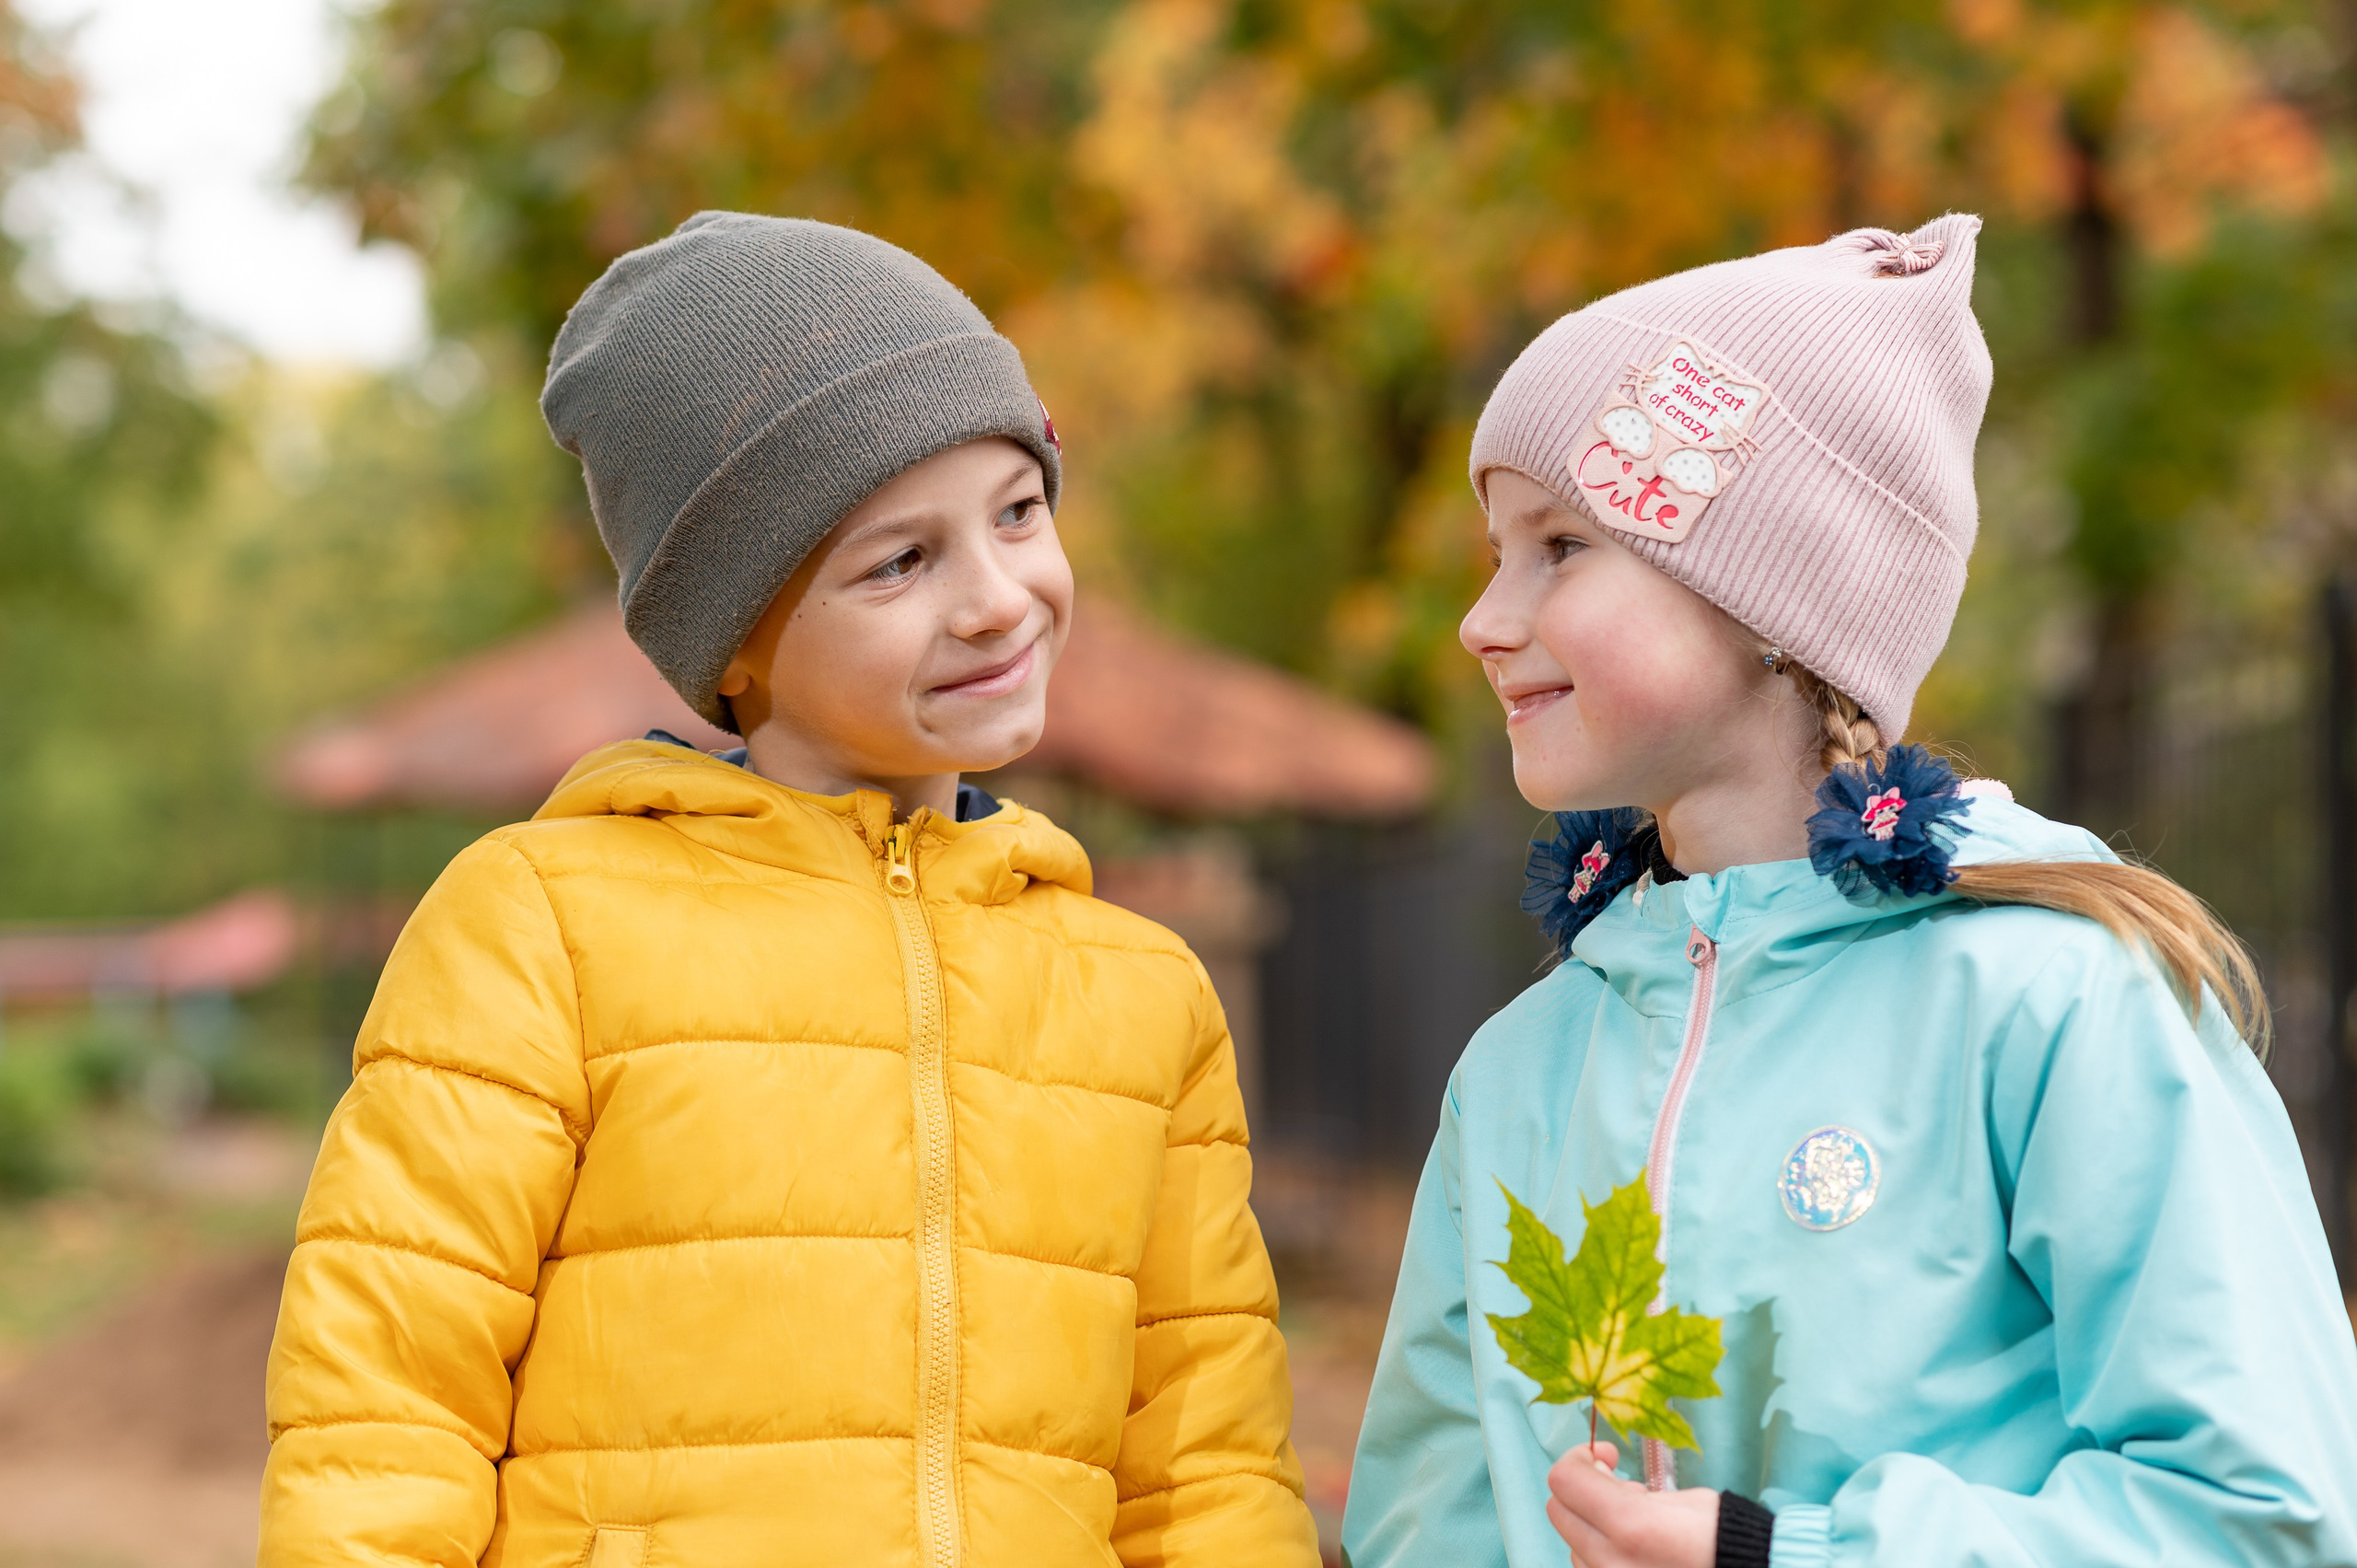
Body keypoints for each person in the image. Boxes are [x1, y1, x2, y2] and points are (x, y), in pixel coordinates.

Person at [258, 213, 1319, 1568]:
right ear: (735, 636)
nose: (999, 599)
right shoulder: (541, 925)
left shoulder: (1142, 992)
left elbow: (1209, 1469)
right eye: (901, 561)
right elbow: (386, 1410)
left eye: (1019, 513)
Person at [1341, 215, 2357, 1568]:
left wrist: (1785, 1554)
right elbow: (1432, 1525)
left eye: (1559, 548)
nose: (1483, 618)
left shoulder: (2050, 998)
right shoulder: (1521, 1075)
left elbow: (2268, 1514)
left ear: (1771, 597)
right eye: (1493, 553)